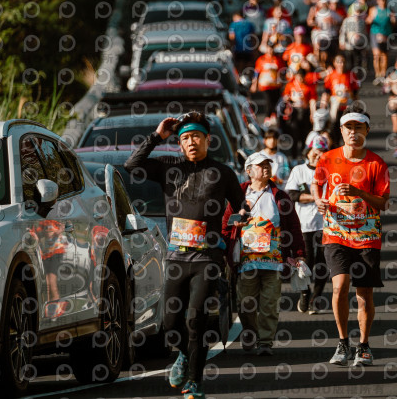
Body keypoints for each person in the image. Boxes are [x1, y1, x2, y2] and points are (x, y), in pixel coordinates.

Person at [124, 112, 245, 398]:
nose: (191, 142)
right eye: (186, 138)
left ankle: (196, 382)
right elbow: (132, 165)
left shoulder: (222, 172)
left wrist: (241, 216)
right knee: (170, 323)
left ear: (208, 140)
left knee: (196, 320)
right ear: (179, 143)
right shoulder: (169, 168)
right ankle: (183, 354)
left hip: (207, 258)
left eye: (196, 137)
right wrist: (157, 136)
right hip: (176, 258)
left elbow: (241, 204)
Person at [311, 109, 390, 367]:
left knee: (364, 294)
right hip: (336, 234)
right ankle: (343, 342)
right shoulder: (328, 158)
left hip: (366, 236)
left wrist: (359, 192)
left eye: (359, 128)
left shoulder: (376, 163)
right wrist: (318, 201)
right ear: (341, 131)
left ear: (367, 131)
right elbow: (316, 183)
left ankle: (364, 346)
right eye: (349, 128)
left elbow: (383, 203)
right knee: (340, 286)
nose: (353, 132)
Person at [222, 153, 306, 356]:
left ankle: (265, 342)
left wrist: (299, 254)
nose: (266, 167)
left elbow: (294, 227)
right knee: (245, 303)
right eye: (261, 165)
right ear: (249, 171)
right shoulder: (238, 194)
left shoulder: (280, 196)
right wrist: (227, 243)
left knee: (269, 303)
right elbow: (225, 225)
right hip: (246, 262)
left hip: (273, 261)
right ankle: (250, 333)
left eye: (268, 164)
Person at [286, 136, 330, 314]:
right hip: (304, 224)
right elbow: (292, 195)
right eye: (315, 151)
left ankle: (315, 299)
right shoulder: (299, 170)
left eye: (322, 152)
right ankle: (305, 293)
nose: (318, 155)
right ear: (308, 151)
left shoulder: (330, 171)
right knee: (306, 263)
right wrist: (316, 198)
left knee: (323, 263)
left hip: (326, 224)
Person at [320, 55, 360, 146]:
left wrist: (357, 105)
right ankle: (334, 141)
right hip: (335, 101)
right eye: (338, 62)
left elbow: (355, 93)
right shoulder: (331, 75)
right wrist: (323, 104)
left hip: (347, 101)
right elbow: (327, 92)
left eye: (342, 62)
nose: (341, 64)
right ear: (334, 63)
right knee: (334, 120)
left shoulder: (351, 75)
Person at [281, 68, 317, 158]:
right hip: (294, 112)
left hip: (304, 112)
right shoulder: (290, 85)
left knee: (304, 134)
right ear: (296, 76)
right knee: (294, 133)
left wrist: (313, 113)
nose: (300, 79)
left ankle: (303, 154)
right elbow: (285, 97)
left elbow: (312, 101)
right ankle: (294, 156)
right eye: (298, 77)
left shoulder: (308, 86)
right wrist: (288, 99)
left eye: (302, 77)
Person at [366, 0, 395, 84]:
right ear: (378, 0)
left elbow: (394, 23)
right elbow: (367, 21)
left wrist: (393, 19)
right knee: (377, 55)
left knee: (384, 56)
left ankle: (383, 74)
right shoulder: (373, 10)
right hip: (376, 34)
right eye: (381, 0)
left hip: (386, 34)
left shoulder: (389, 10)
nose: (383, 1)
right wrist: (370, 19)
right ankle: (377, 74)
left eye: (384, 0)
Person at [251, 42, 285, 122]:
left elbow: (282, 71)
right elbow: (257, 72)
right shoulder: (261, 59)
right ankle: (268, 117)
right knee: (268, 100)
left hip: (276, 85)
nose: (271, 50)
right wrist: (254, 84)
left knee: (275, 101)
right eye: (269, 48)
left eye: (272, 48)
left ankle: (274, 116)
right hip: (265, 85)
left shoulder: (278, 59)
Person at [339, 2, 367, 72]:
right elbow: (343, 32)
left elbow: (364, 33)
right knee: (349, 62)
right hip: (349, 46)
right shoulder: (347, 21)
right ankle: (350, 75)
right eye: (357, 11)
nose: (358, 13)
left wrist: (365, 44)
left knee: (358, 62)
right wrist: (342, 42)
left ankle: (357, 75)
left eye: (360, 11)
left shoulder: (362, 21)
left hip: (359, 45)